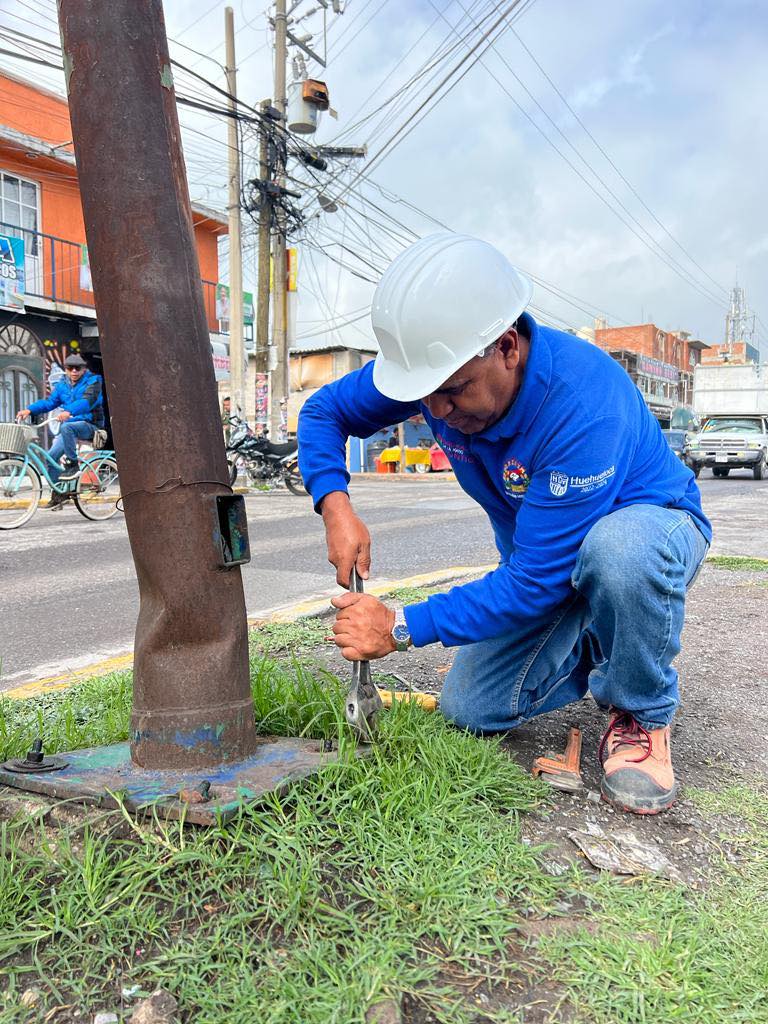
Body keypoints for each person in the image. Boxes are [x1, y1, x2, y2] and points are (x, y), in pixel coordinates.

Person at [297, 232, 711, 816]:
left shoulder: (581, 403)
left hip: (651, 530)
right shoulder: (439, 376)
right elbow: (322, 411)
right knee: (471, 709)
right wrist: (334, 505)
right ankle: (604, 640)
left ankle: (639, 708)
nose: (435, 413)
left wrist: (401, 625)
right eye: (423, 396)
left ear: (508, 347)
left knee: (619, 555)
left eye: (452, 392)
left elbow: (538, 580)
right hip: (549, 559)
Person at [17, 353, 104, 509]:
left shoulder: (94, 381)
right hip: (68, 429)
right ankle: (59, 495)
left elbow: (87, 402)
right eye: (70, 368)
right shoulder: (62, 384)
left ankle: (72, 465)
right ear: (66, 369)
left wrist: (69, 411)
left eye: (78, 368)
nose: (74, 371)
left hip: (90, 425)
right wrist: (29, 410)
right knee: (51, 458)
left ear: (84, 369)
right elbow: (50, 403)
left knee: (67, 427)